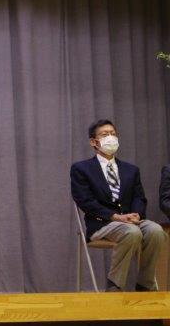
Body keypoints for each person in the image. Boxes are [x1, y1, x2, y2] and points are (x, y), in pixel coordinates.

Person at [71, 119, 166, 291]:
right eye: (105, 134)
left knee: (156, 231)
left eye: (113, 134)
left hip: (131, 221)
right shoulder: (82, 169)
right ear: (93, 142)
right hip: (102, 224)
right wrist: (115, 217)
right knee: (131, 232)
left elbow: (139, 198)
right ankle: (115, 285)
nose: (111, 137)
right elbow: (85, 201)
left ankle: (145, 284)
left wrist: (136, 214)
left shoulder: (131, 170)